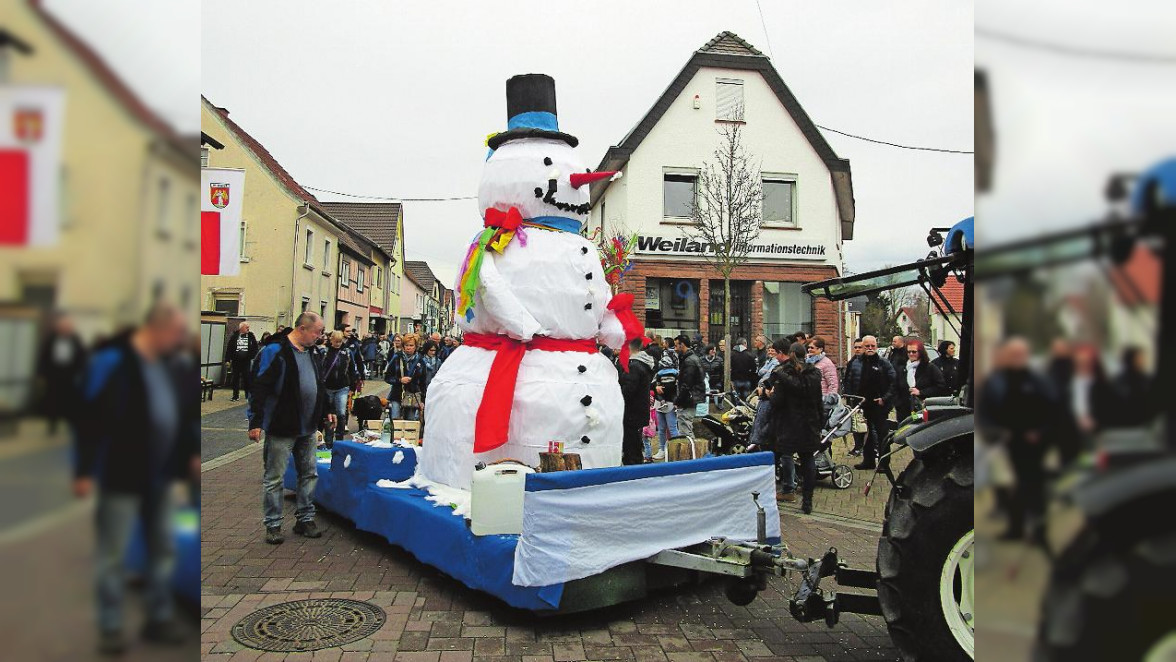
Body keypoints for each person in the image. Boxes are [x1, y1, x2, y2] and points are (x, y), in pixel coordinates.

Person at [74, 301, 199, 654]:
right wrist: (83, 470)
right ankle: (111, 626)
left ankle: (158, 617)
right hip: (120, 472)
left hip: (159, 475)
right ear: (156, 329)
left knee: (162, 548)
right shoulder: (112, 362)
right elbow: (88, 417)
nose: (179, 341)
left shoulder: (167, 365)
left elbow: (176, 413)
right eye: (175, 333)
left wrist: (189, 453)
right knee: (112, 553)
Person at [249, 312, 333, 546]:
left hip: (307, 427)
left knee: (309, 473)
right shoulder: (275, 352)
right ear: (303, 329)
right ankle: (273, 524)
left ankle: (305, 519)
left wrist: (326, 410)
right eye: (318, 331)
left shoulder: (314, 353)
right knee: (274, 477)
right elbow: (259, 387)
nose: (321, 336)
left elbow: (319, 384)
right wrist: (255, 422)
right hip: (281, 426)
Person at [978, 337, 1066, 541]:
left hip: (1035, 444)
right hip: (1005, 442)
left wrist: (1041, 432)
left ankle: (1040, 531)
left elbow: (1054, 409)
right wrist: (995, 432)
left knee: (1034, 486)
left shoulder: (1038, 381)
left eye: (1020, 354)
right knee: (1009, 487)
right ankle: (1015, 529)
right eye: (1012, 355)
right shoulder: (996, 381)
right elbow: (986, 410)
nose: (1016, 358)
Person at [768, 341, 824, 514]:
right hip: (809, 423)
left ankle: (784, 489)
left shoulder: (782, 374)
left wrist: (769, 394)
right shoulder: (815, 374)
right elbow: (818, 401)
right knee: (808, 460)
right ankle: (807, 500)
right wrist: (820, 422)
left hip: (788, 423)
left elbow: (777, 401)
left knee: (783, 456)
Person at [842, 335, 896, 470]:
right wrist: (851, 398)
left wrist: (885, 398)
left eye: (873, 346)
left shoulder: (883, 363)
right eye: (867, 346)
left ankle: (884, 464)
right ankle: (868, 461)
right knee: (866, 434)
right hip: (862, 404)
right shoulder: (856, 362)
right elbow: (849, 379)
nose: (870, 348)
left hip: (879, 405)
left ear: (876, 347)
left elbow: (894, 382)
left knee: (882, 434)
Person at [35, 312, 87, 434]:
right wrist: (42, 373)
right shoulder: (51, 339)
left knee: (70, 400)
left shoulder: (76, 340)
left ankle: (70, 423)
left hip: (70, 374)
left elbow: (81, 356)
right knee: (53, 400)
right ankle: (52, 424)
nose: (65, 329)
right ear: (58, 328)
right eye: (63, 327)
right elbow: (44, 357)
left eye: (68, 327)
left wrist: (80, 372)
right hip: (54, 374)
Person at [619, 338, 656, 465]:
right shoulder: (643, 363)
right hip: (639, 410)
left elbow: (628, 390)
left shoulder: (633, 365)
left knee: (631, 446)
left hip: (631, 412)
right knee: (635, 443)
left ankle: (632, 469)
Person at [319, 331, 358, 447]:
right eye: (335, 342)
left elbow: (352, 369)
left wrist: (353, 386)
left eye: (340, 342)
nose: (337, 344)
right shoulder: (325, 352)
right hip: (327, 387)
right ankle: (329, 439)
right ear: (331, 340)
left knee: (341, 412)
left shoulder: (346, 352)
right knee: (329, 414)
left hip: (342, 386)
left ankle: (340, 438)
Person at [897, 340, 948, 413]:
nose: (911, 354)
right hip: (904, 410)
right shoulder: (903, 368)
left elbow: (940, 386)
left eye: (914, 352)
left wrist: (921, 392)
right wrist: (898, 404)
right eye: (909, 352)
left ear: (920, 352)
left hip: (923, 409)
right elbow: (896, 386)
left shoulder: (930, 368)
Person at [384, 332, 425, 421]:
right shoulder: (397, 358)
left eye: (411, 345)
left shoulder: (420, 361)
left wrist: (422, 400)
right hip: (397, 394)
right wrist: (399, 380)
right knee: (395, 421)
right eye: (406, 345)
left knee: (410, 423)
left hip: (412, 395)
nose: (408, 348)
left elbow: (423, 383)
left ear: (416, 346)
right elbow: (387, 377)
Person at [673, 334, 705, 446]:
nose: (675, 348)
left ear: (682, 345)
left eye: (676, 345)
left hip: (688, 399)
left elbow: (686, 384)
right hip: (691, 397)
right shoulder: (692, 359)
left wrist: (678, 400)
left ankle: (691, 457)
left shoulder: (689, 361)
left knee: (685, 430)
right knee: (686, 427)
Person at [651, 350, 679, 460]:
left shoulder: (676, 374)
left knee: (672, 428)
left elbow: (678, 388)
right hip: (660, 403)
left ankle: (676, 450)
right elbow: (652, 384)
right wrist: (655, 387)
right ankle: (662, 449)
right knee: (662, 429)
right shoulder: (658, 374)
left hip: (670, 403)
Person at [844, 339, 868, 456]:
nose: (857, 349)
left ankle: (866, 447)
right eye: (856, 347)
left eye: (860, 347)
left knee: (864, 425)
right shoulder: (852, 362)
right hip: (853, 398)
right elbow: (848, 379)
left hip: (864, 398)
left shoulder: (867, 363)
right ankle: (858, 446)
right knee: (855, 424)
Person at [224, 322, 259, 401]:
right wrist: (227, 360)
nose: (248, 329)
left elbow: (255, 347)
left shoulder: (250, 336)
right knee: (235, 378)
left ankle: (247, 395)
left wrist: (252, 356)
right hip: (236, 361)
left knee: (246, 378)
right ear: (241, 328)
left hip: (246, 361)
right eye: (246, 327)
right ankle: (235, 395)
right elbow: (229, 348)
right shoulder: (235, 336)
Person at [730, 337, 757, 402]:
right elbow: (754, 368)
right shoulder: (750, 355)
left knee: (736, 397)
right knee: (746, 398)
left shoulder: (731, 354)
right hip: (746, 379)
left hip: (734, 379)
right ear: (744, 343)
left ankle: (736, 409)